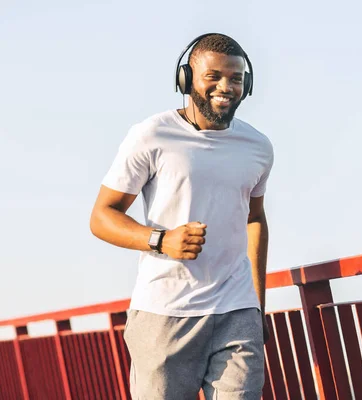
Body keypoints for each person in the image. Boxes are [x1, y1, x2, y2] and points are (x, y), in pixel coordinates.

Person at [90, 33, 274, 400]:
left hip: (236, 311)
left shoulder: (258, 147)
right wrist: (161, 240)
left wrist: (257, 305)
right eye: (214, 76)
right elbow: (101, 216)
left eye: (236, 78)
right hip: (165, 313)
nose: (227, 87)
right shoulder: (151, 135)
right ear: (186, 79)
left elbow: (255, 218)